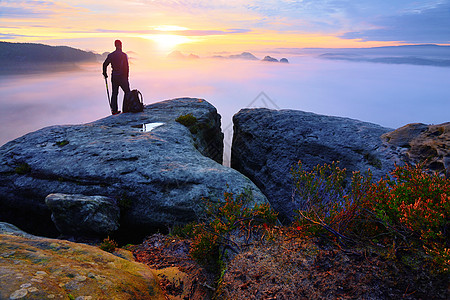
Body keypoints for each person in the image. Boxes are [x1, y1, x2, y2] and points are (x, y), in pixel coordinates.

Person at [102, 40, 130, 115]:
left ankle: (114, 110)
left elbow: (105, 64)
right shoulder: (124, 55)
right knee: (127, 92)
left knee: (114, 93)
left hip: (114, 76)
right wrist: (126, 77)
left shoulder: (111, 55)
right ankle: (125, 109)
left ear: (115, 45)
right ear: (121, 45)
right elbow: (127, 67)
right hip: (122, 77)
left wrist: (105, 74)